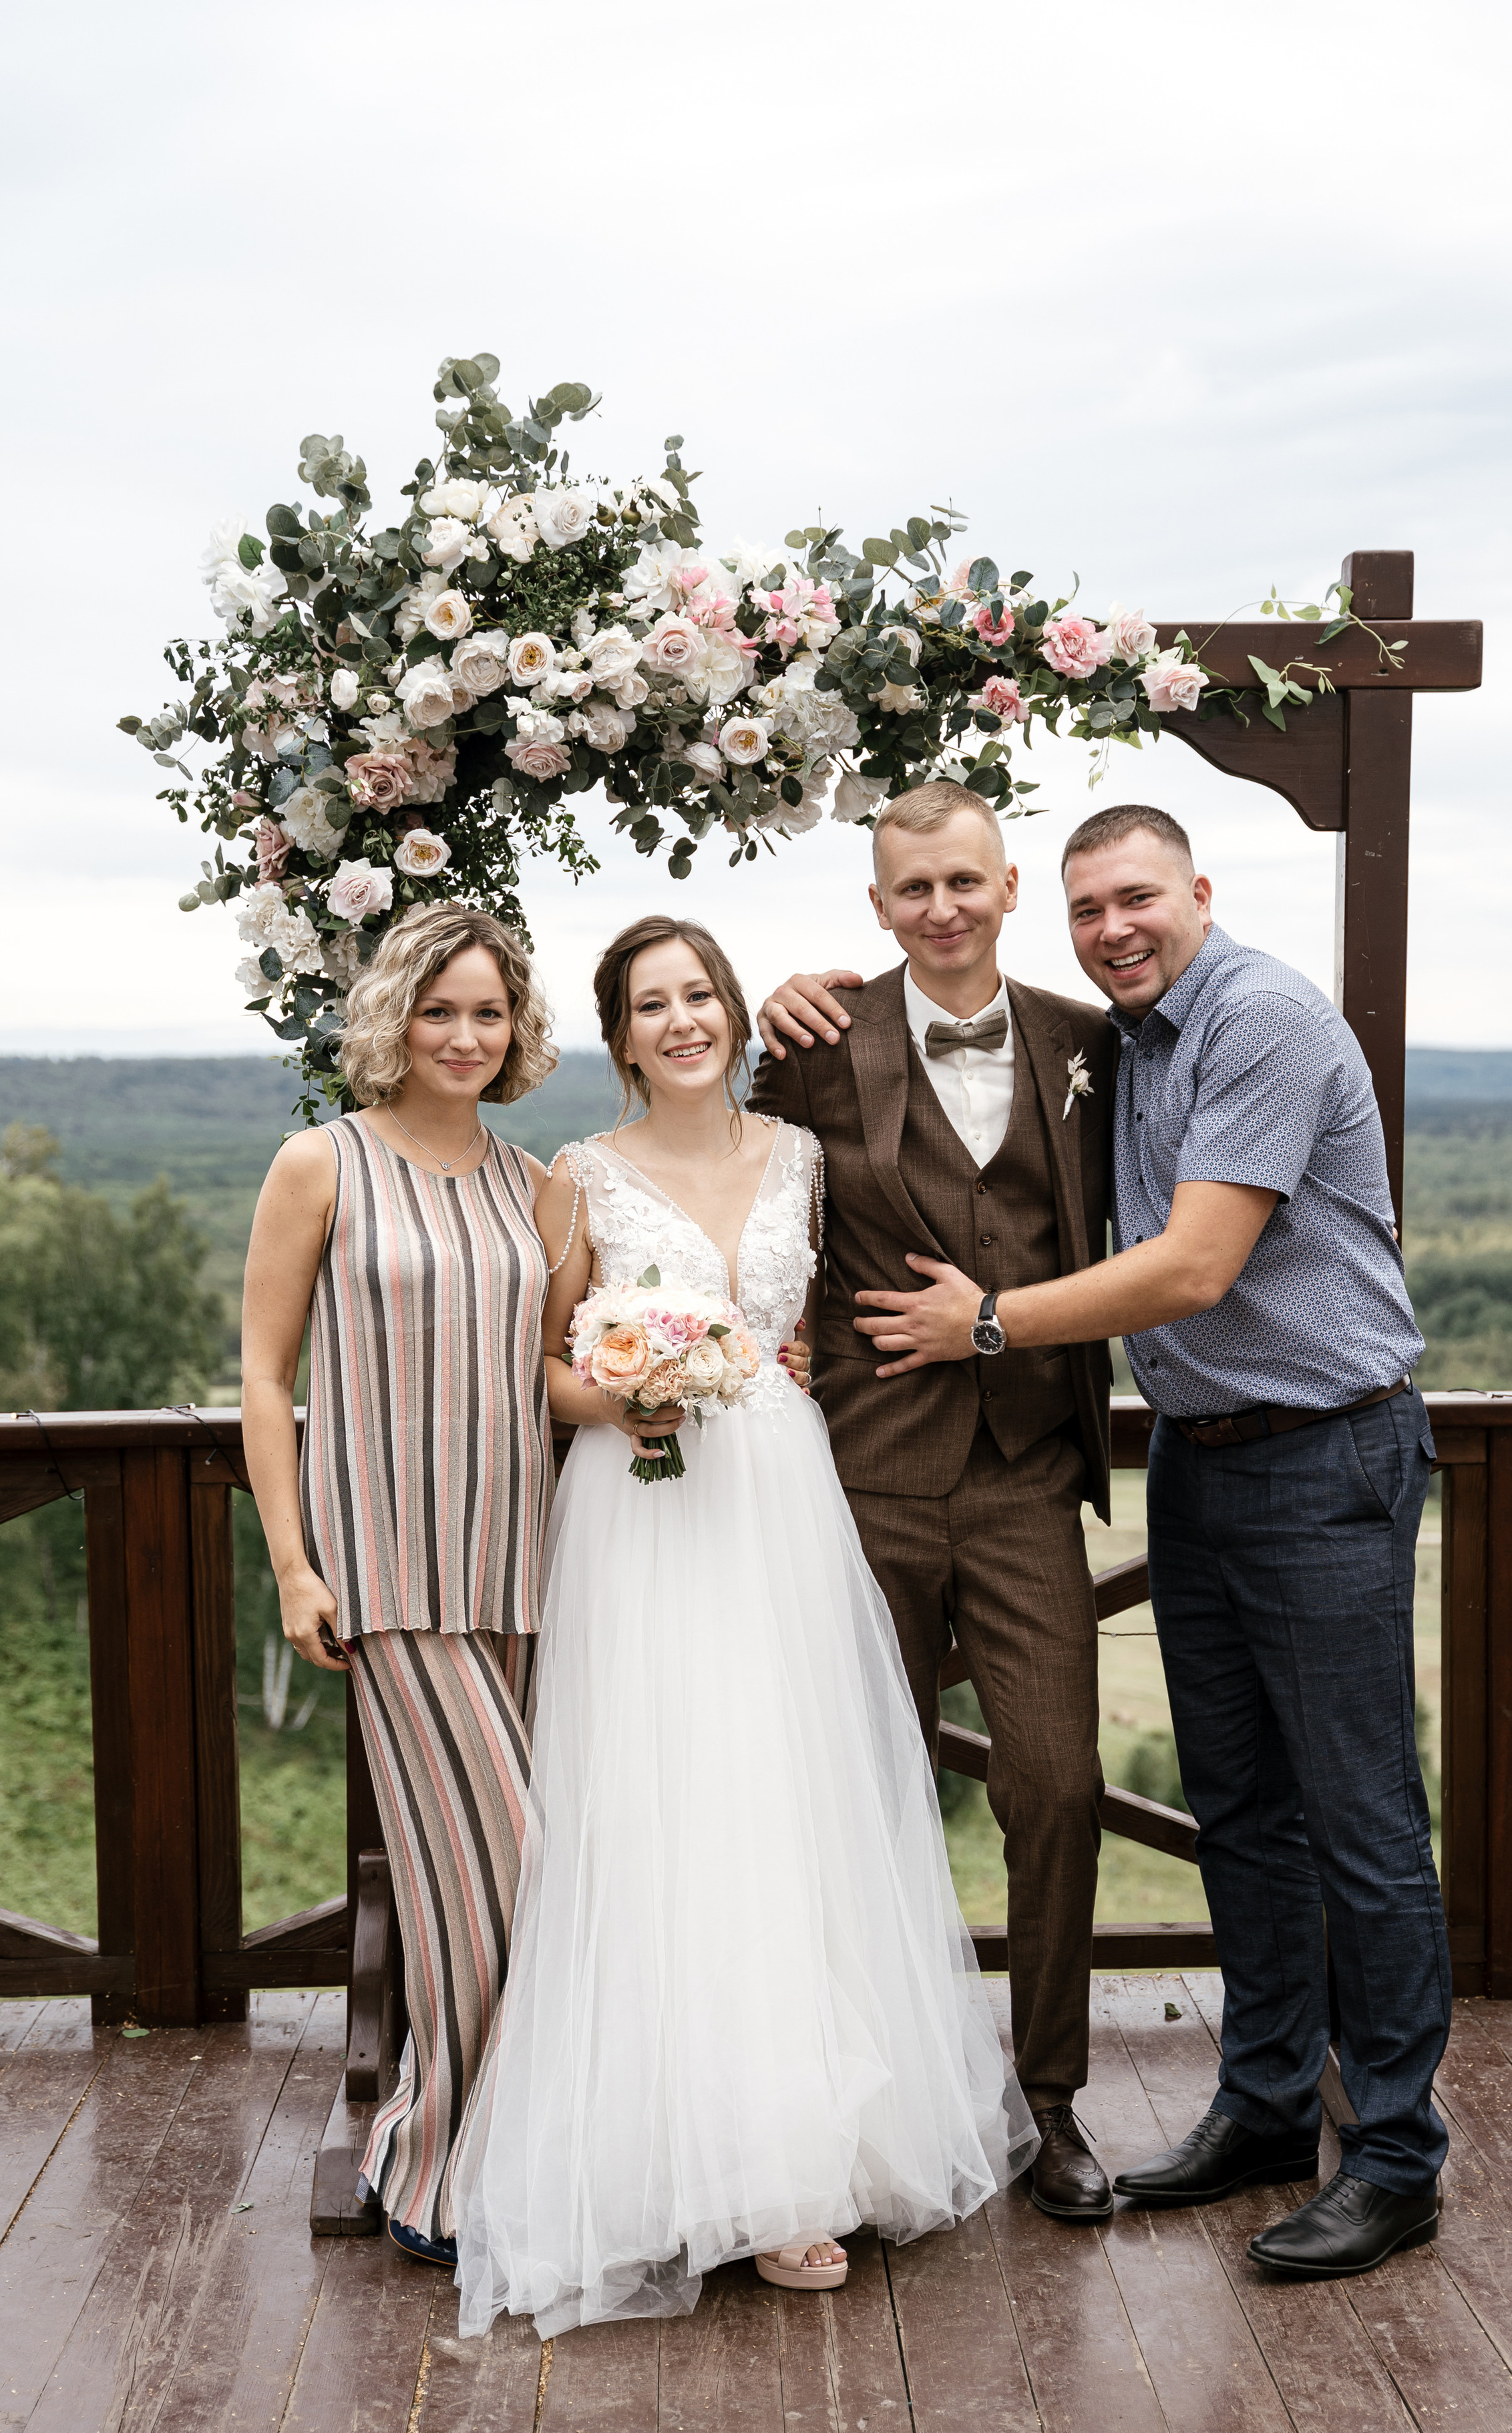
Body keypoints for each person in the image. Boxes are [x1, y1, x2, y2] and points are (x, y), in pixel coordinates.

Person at [842, 803, 1450, 2281]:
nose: (1113, 929)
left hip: (1322, 1455)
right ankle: (1257, 2108)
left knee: (1359, 1824)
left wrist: (978, 1324)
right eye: (1088, 909)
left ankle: (1391, 2153)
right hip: (1195, 1461)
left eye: (1136, 900)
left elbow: (1187, 1264)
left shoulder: (1260, 1020)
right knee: (1239, 1811)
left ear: (1197, 891)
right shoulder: (1126, 1041)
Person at [448, 913, 1033, 2337]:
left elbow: (823, 1329)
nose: (681, 1021)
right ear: (620, 1033)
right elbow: (539, 1363)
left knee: (787, 1802)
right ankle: (669, 2156)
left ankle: (799, 2161)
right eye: (650, 1004)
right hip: (641, 1512)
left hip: (779, 1496)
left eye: (700, 993)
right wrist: (627, 1393)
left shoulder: (805, 1161)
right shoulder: (574, 1181)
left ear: (732, 1013)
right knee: (658, 1810)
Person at [750, 778, 1119, 2221]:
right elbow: (732, 1192)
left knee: (1057, 1786)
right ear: (876, 907)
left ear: (1008, 885)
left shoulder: (1090, 1043)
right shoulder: (815, 1044)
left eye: (965, 882)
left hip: (1028, 1476)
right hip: (860, 1477)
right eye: (914, 890)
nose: (942, 909)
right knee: (858, 1800)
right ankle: (866, 2106)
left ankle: (1048, 2101)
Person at [242, 902, 560, 2268]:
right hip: (390, 1575)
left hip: (526, 1570)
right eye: (442, 1011)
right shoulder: (321, 1163)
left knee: (481, 1886)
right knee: (505, 1872)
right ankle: (433, 2163)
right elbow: (263, 1375)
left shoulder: (532, 1180)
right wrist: (292, 1564)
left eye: (488, 1013)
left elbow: (559, 1368)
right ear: (396, 1018)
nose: (465, 1036)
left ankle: (496, 2149)